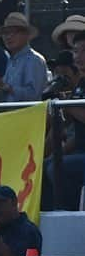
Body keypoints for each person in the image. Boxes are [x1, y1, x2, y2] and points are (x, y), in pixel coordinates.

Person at [43, 33, 85, 210]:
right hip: (80, 151)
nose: (79, 56)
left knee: (57, 169)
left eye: (84, 51)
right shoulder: (81, 83)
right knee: (44, 167)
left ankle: (69, 214)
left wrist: (67, 106)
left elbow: (78, 113)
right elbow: (67, 120)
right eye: (76, 51)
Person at [0, 13, 48, 102]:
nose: (8, 36)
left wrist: (5, 86)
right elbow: (5, 97)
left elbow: (33, 95)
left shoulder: (35, 60)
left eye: (14, 32)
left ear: (26, 35)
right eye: (6, 33)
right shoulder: (11, 61)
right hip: (11, 114)